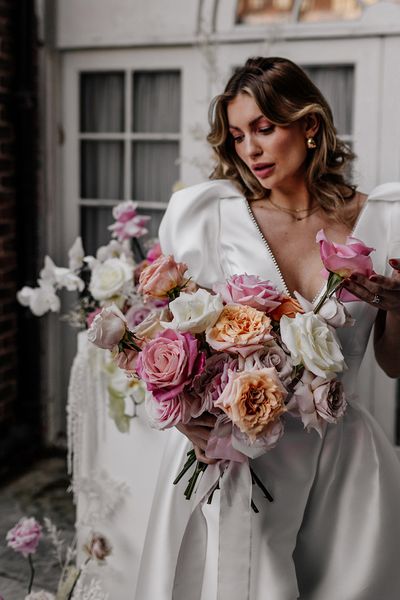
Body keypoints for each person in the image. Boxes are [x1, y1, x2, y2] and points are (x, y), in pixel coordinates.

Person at [135, 57, 400, 600]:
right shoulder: (209, 217)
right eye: (236, 136)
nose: (250, 150)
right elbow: (165, 345)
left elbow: (393, 364)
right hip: (232, 455)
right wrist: (189, 424)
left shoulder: (387, 221)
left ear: (310, 125)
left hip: (339, 459)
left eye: (264, 128)